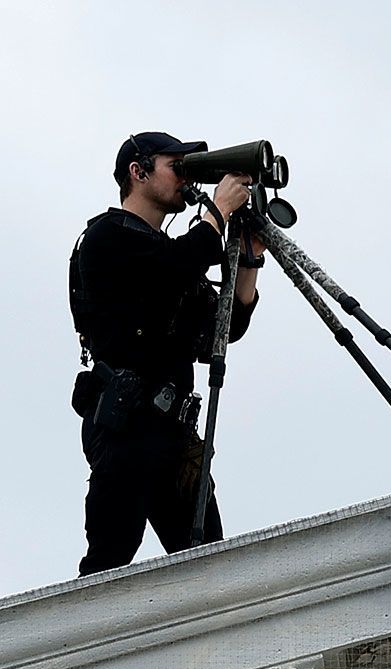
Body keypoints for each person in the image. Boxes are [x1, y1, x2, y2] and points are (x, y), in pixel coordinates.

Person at [69, 132, 264, 574]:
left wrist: (249, 261)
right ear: (138, 173)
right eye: (175, 166)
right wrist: (216, 213)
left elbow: (225, 328)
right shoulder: (107, 237)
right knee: (110, 557)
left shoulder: (174, 257)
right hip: (127, 424)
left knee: (208, 564)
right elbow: (168, 269)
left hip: (174, 432)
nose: (184, 177)